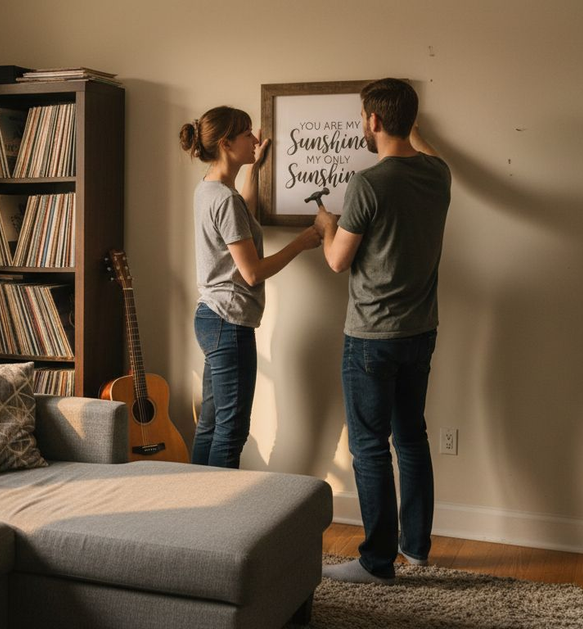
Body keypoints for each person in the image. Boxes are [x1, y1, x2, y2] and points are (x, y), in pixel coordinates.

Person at [314, 79, 451, 583]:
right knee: (411, 437)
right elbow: (431, 155)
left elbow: (335, 261)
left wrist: (328, 225)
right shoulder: (439, 175)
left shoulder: (368, 185)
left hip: (372, 336)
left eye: (364, 118)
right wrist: (417, 131)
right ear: (409, 121)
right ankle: (415, 549)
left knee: (369, 446)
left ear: (373, 121)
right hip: (421, 331)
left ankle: (375, 563)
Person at [179, 106, 321, 469]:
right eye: (247, 134)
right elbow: (252, 273)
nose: (255, 139)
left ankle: (195, 510)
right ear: (226, 144)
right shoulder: (224, 200)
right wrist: (301, 242)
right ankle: (219, 519)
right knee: (231, 430)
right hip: (228, 324)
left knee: (211, 426)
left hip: (212, 318)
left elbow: (243, 213)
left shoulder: (210, 190)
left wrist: (255, 168)